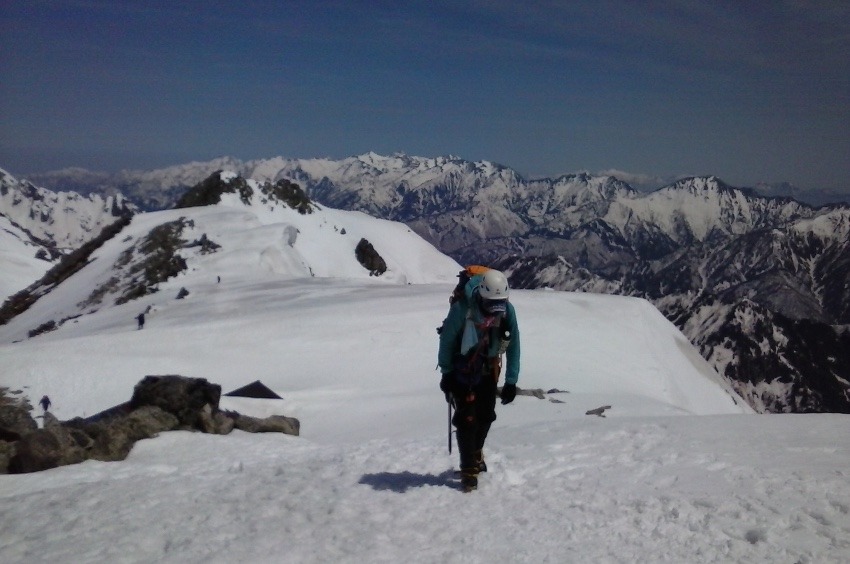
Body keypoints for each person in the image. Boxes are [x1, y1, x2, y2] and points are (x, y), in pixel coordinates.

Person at [437, 269, 520, 492]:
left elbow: (513, 344)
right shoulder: (462, 309)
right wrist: (446, 374)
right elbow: (447, 341)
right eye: (492, 303)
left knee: (485, 416)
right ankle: (468, 470)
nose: (496, 309)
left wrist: (511, 381)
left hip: (487, 370)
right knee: (467, 419)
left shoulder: (506, 311)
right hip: (462, 371)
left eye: (500, 303)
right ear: (481, 296)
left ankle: (475, 452)